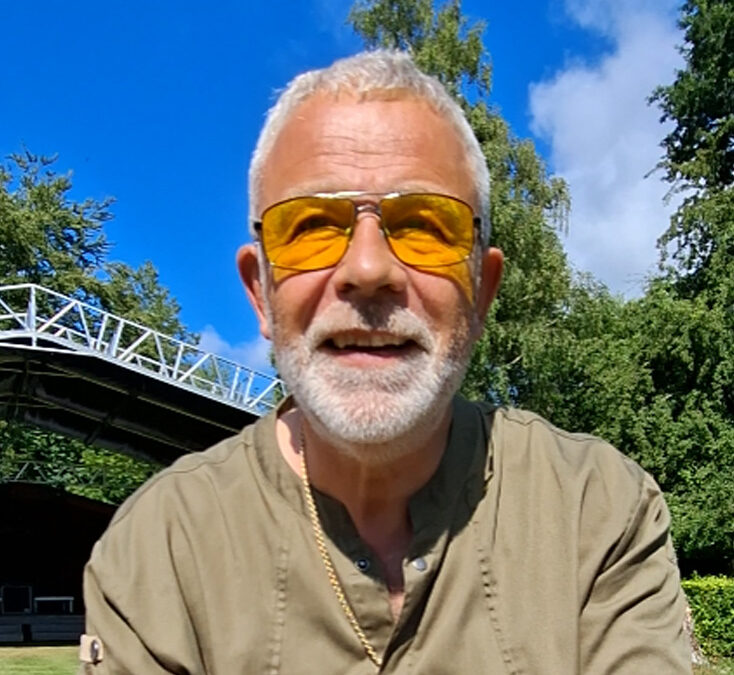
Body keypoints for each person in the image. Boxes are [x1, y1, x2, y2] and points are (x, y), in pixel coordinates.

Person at [79, 50, 691, 673]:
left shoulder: (595, 510)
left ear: (482, 291)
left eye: (424, 226)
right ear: (261, 292)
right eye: (311, 227)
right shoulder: (160, 549)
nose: (368, 270)